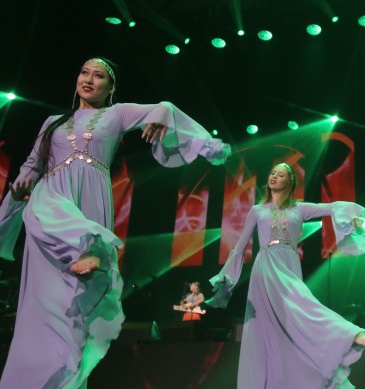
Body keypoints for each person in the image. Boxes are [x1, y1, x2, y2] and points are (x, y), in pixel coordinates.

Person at [0, 57, 231, 389]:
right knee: (42, 225)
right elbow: (32, 164)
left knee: (72, 308)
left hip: (90, 198)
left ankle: (64, 379)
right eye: (84, 72)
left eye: (98, 76)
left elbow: (164, 106)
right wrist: (22, 184)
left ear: (111, 88)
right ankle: (82, 249)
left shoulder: (116, 114)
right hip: (52, 191)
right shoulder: (52, 122)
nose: (89, 79)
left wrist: (162, 118)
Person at [207, 162, 365, 388]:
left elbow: (331, 207)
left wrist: (353, 217)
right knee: (266, 328)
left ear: (290, 182)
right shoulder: (257, 211)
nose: (274, 176)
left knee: (301, 307)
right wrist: (227, 276)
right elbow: (240, 247)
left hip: (289, 263)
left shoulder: (298, 209)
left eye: (281, 175)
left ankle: (347, 336)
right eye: (273, 173)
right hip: (266, 266)